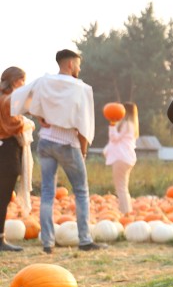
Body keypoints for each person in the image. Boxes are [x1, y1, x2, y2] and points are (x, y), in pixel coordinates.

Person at [11, 50, 104, 254]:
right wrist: (84, 151)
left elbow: (17, 96)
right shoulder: (81, 88)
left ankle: (47, 243)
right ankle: (85, 239)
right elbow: (84, 125)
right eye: (78, 65)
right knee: (80, 191)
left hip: (46, 143)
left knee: (46, 193)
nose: (79, 69)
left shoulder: (44, 82)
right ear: (70, 64)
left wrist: (37, 115)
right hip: (68, 144)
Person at [0, 67, 30, 252]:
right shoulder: (8, 99)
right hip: (8, 149)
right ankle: (0, 239)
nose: (24, 86)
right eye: (22, 82)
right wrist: (26, 123)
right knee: (3, 197)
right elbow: (13, 124)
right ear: (14, 81)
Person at [103, 102, 139, 215]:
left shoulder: (125, 124)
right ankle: (126, 211)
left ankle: (125, 213)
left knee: (121, 188)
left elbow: (114, 138)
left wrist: (112, 124)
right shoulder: (132, 125)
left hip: (121, 158)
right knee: (123, 187)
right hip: (127, 158)